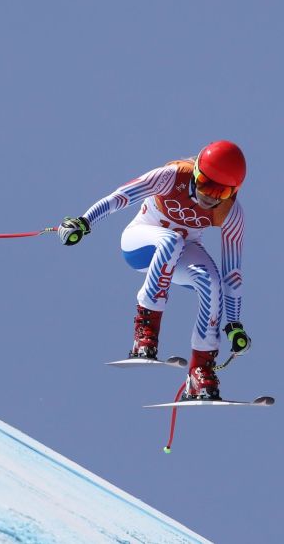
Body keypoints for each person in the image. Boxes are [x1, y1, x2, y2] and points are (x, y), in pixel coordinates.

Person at [57, 140, 251, 401]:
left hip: (181, 252)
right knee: (171, 241)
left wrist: (234, 324)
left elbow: (232, 273)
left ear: (234, 192)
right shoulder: (172, 177)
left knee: (210, 281)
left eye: (222, 192)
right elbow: (122, 196)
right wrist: (84, 221)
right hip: (141, 244)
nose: (210, 197)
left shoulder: (231, 213)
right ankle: (145, 333)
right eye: (206, 185)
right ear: (195, 173)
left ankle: (200, 371)